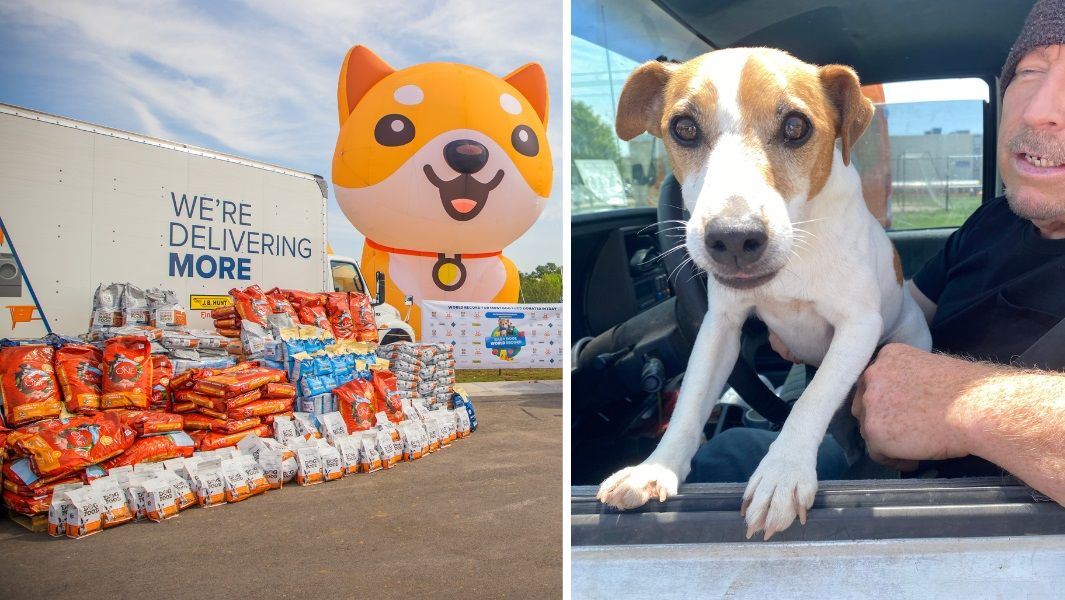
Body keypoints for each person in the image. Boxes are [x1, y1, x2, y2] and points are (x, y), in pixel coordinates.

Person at [689, 0, 1065, 506]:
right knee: (735, 451)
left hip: (960, 508)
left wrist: (963, 408)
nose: (1041, 108)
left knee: (723, 461)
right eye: (1030, 71)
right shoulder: (994, 221)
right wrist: (803, 319)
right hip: (867, 428)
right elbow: (898, 303)